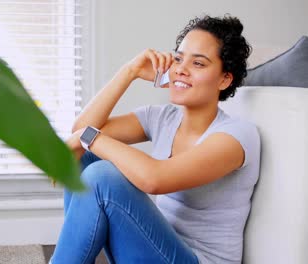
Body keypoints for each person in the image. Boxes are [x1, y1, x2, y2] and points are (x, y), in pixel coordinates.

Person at [50, 14, 260, 264]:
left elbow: (155, 179)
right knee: (87, 158)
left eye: (199, 64)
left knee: (102, 175)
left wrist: (86, 138)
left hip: (195, 259)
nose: (181, 69)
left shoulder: (236, 136)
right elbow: (82, 129)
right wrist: (130, 72)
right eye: (179, 59)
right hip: (157, 245)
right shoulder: (163, 118)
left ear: (225, 79)